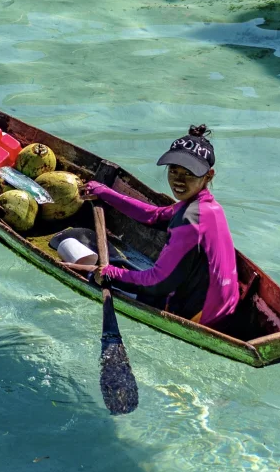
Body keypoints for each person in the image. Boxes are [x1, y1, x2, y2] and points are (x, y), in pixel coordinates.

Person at [65, 124, 241, 328]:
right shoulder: (206, 207)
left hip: (202, 320)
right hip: (226, 309)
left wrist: (107, 274)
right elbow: (154, 216)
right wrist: (106, 193)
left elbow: (157, 283)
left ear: (209, 176)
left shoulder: (190, 219)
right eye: (174, 170)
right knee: (111, 264)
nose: (179, 180)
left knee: (94, 272)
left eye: (189, 173)